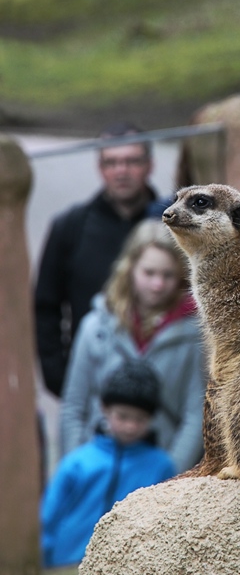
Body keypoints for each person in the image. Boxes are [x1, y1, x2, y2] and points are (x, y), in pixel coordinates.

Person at [35, 121, 172, 398]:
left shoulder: (173, 224)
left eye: (132, 161)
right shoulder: (69, 226)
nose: (121, 171)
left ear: (150, 165)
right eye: (111, 162)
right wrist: (59, 378)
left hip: (166, 382)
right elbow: (46, 306)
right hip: (91, 382)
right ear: (100, 168)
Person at [60, 219, 206, 473]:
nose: (157, 284)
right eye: (149, 273)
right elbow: (74, 406)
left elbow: (195, 416)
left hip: (158, 472)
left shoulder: (196, 334)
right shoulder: (96, 325)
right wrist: (78, 468)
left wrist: (168, 478)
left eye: (168, 275)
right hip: (96, 468)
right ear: (130, 268)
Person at [41, 358, 176, 568]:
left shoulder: (161, 466)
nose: (130, 426)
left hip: (129, 566)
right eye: (122, 417)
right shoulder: (78, 462)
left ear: (152, 418)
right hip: (67, 563)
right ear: (104, 409)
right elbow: (48, 517)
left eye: (140, 419)